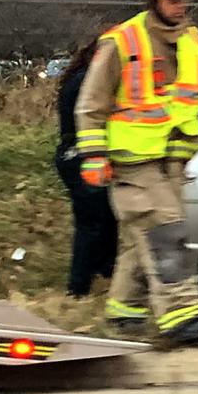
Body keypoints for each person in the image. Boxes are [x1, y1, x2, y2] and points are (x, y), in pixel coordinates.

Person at [74, 0, 198, 345]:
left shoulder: (193, 40)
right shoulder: (122, 41)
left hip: (174, 160)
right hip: (132, 161)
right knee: (165, 232)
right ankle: (179, 315)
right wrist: (93, 155)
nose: (182, 5)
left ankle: (124, 310)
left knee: (140, 239)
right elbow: (91, 104)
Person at [55, 39, 118, 297]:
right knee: (92, 223)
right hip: (81, 157)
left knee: (105, 218)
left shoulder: (82, 77)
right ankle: (77, 287)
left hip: (78, 155)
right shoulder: (87, 81)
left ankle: (105, 272)